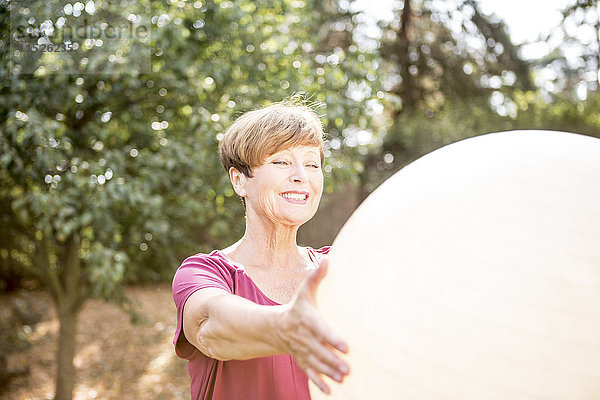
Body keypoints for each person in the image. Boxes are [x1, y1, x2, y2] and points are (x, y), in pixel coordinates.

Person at [172, 101, 350, 400]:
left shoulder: (341, 266)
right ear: (239, 180)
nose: (301, 175)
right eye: (281, 162)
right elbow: (211, 327)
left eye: (312, 164)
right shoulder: (204, 272)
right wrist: (286, 327)